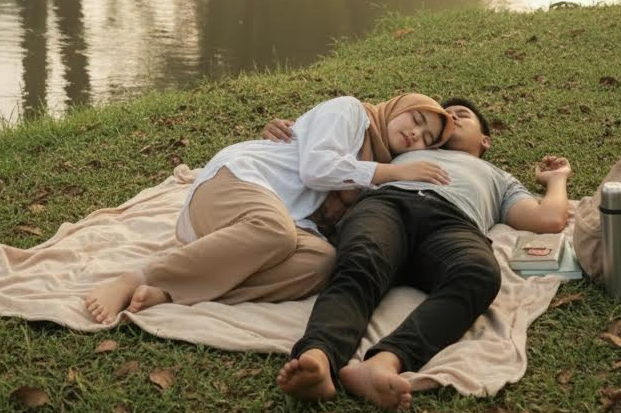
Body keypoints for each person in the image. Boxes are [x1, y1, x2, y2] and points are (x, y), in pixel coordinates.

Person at [274, 97, 572, 412]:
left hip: (453, 223)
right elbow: (348, 128)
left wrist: (557, 179)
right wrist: (288, 128)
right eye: (445, 117)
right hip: (388, 206)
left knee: (479, 273)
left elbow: (548, 218)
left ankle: (383, 364)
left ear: (485, 140)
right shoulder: (406, 149)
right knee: (361, 259)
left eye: (462, 115)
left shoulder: (498, 177)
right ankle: (318, 357)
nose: (452, 118)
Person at [84, 92, 454, 323]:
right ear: (400, 107)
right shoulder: (350, 113)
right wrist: (390, 171)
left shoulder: (385, 171)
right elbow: (315, 169)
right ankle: (138, 277)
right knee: (276, 229)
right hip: (238, 182)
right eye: (416, 119)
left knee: (323, 263)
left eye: (425, 139)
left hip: (263, 231)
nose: (414, 134)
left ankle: (171, 291)